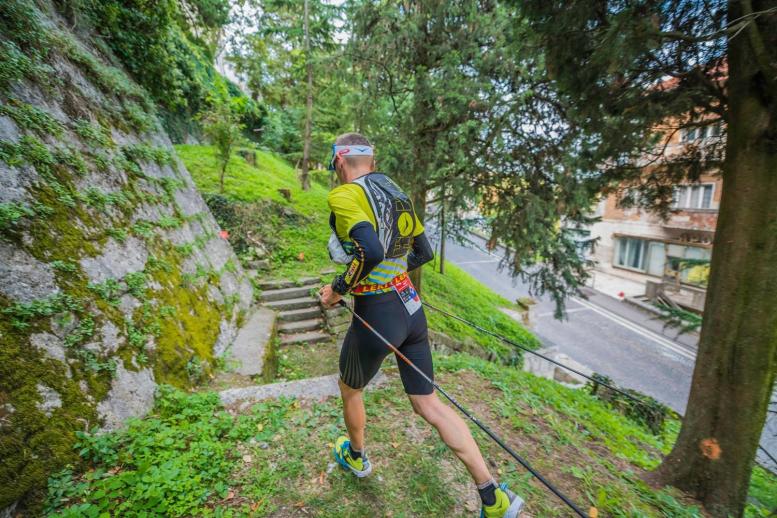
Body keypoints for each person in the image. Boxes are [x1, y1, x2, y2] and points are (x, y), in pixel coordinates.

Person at [318, 132, 524, 518]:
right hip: (410, 309)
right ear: (372, 161)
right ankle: (493, 496)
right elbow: (423, 251)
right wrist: (392, 274)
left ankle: (357, 457)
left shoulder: (344, 195)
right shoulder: (396, 193)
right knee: (428, 403)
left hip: (376, 313)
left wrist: (338, 289)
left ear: (340, 162)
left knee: (350, 388)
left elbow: (370, 250)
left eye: (335, 167)